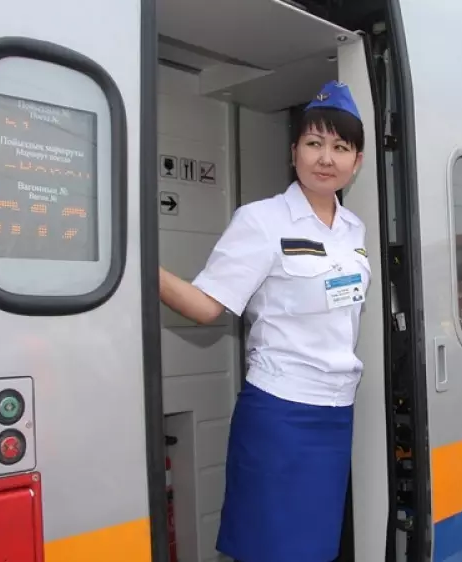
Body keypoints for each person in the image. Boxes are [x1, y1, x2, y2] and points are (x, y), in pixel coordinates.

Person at [158, 80, 369, 562]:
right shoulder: (261, 221)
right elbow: (206, 306)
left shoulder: (354, 230)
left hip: (336, 416)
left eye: (340, 148)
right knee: (271, 549)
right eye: (314, 143)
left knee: (316, 549)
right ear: (294, 152)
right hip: (280, 413)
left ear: (356, 162)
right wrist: (139, 265)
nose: (326, 158)